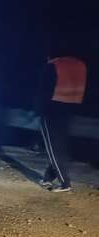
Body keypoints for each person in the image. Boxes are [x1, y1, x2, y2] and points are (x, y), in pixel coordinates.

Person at [37, 54, 86, 193]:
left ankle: (65, 183)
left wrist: (39, 109)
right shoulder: (80, 64)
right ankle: (47, 178)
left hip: (52, 107)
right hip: (71, 107)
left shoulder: (53, 65)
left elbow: (44, 89)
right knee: (60, 144)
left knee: (52, 147)